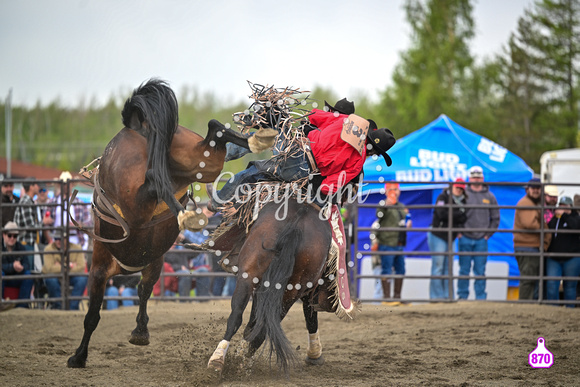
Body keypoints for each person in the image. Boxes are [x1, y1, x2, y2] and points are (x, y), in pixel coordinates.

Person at [209, 98, 395, 211]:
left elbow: (314, 115)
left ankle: (222, 163)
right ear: (375, 151)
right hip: (303, 172)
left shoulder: (345, 121)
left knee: (270, 132)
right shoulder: (358, 163)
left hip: (297, 150)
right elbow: (328, 187)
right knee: (257, 169)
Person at [457, 166, 500, 300]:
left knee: (480, 271)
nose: (476, 179)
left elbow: (496, 218)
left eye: (478, 177)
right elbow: (455, 214)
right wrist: (459, 232)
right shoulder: (463, 194)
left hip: (482, 239)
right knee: (464, 270)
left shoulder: (490, 196)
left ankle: (480, 298)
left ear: (482, 178)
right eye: (474, 177)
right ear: (469, 178)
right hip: (464, 237)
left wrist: (487, 234)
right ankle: (462, 297)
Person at [370, 182, 411, 305]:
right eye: (391, 189)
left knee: (401, 269)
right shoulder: (383, 204)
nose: (394, 192)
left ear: (399, 191)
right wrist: (385, 205)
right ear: (387, 192)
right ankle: (387, 298)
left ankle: (396, 297)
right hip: (387, 242)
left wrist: (408, 224)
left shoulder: (401, 206)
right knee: (386, 269)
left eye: (395, 189)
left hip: (399, 242)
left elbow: (405, 220)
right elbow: (378, 215)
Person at [428, 178, 468, 300]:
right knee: (438, 266)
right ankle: (436, 297)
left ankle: (447, 296)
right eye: (457, 187)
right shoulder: (442, 197)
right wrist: (457, 214)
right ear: (452, 187)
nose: (459, 190)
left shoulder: (463, 201)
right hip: (438, 234)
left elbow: (463, 218)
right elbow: (441, 214)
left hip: (451, 236)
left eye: (461, 188)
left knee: (447, 267)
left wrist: (453, 214)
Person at [513, 177, 551, 300]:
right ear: (527, 190)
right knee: (529, 279)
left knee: (532, 279)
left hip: (530, 246)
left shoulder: (533, 203)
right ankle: (525, 306)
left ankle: (529, 305)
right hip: (527, 245)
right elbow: (529, 223)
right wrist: (544, 227)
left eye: (538, 188)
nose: (535, 191)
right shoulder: (526, 203)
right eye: (533, 188)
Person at [545, 196, 580, 307]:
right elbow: (548, 230)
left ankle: (569, 312)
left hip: (572, 258)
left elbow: (576, 227)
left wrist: (564, 215)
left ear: (571, 207)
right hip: (553, 258)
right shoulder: (554, 219)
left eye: (565, 206)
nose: (562, 208)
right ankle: (552, 311)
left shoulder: (575, 218)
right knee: (551, 285)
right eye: (561, 206)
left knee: (570, 287)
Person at [42, 230, 88, 310]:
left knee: (82, 279)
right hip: (56, 277)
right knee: (51, 280)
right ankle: (59, 306)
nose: (58, 241)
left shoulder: (77, 248)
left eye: (61, 239)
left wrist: (60, 266)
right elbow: (49, 268)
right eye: (56, 239)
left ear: (67, 239)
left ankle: (72, 307)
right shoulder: (48, 249)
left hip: (70, 277)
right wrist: (69, 265)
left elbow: (81, 267)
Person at [1, 221, 34, 308]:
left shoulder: (21, 247)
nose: (12, 238)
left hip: (16, 278)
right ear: (3, 235)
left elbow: (27, 265)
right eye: (9, 235)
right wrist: (12, 266)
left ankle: (22, 307)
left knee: (28, 276)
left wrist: (21, 268)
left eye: (15, 236)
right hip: (4, 278)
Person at [13, 178, 41, 271]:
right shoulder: (26, 202)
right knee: (28, 271)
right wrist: (43, 222)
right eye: (36, 184)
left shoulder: (27, 201)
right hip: (25, 243)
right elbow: (29, 226)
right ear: (31, 187)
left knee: (30, 271)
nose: (38, 187)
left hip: (27, 242)